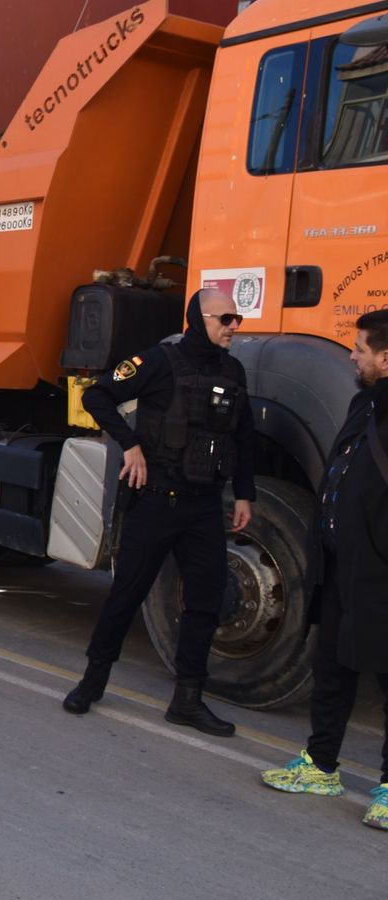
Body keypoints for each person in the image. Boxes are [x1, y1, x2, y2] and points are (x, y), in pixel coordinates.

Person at [62, 289, 255, 737]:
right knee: (126, 595)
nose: (233, 327)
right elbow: (98, 397)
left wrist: (245, 495)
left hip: (204, 506)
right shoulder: (160, 362)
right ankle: (92, 682)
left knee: (207, 601)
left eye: (237, 318)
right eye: (225, 318)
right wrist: (129, 445)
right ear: (198, 317)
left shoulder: (233, 370)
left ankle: (187, 699)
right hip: (155, 501)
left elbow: (244, 436)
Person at [259, 309, 388, 831]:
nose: (352, 356)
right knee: (333, 666)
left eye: (360, 349)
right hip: (341, 565)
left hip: (381, 570)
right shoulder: (365, 402)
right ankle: (321, 765)